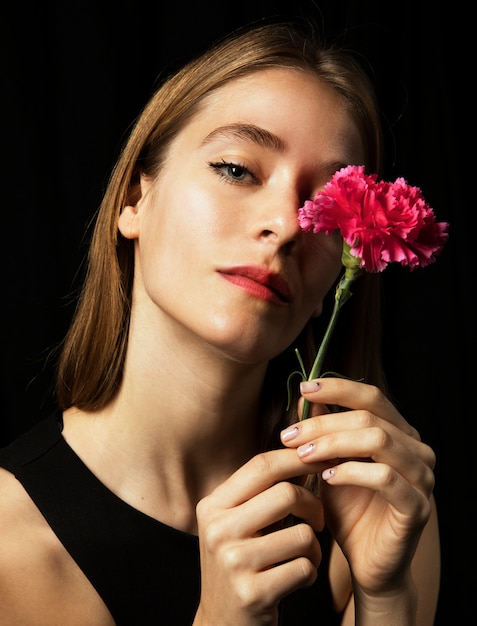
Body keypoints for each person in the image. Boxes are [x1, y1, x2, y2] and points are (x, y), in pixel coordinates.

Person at [0, 19, 440, 626]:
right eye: (237, 169)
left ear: (334, 283)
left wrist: (387, 602)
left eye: (324, 211)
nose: (286, 226)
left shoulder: (377, 503)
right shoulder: (7, 546)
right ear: (135, 201)